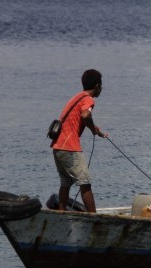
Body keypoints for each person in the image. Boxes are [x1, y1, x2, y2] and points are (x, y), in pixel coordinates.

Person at [51, 69, 108, 213]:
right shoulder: (89, 99)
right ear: (97, 86)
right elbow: (85, 114)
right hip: (70, 147)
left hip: (58, 147)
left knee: (66, 183)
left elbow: (79, 117)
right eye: (101, 86)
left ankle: (61, 213)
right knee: (85, 183)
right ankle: (95, 218)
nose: (101, 89)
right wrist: (91, 128)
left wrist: (96, 131)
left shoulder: (76, 97)